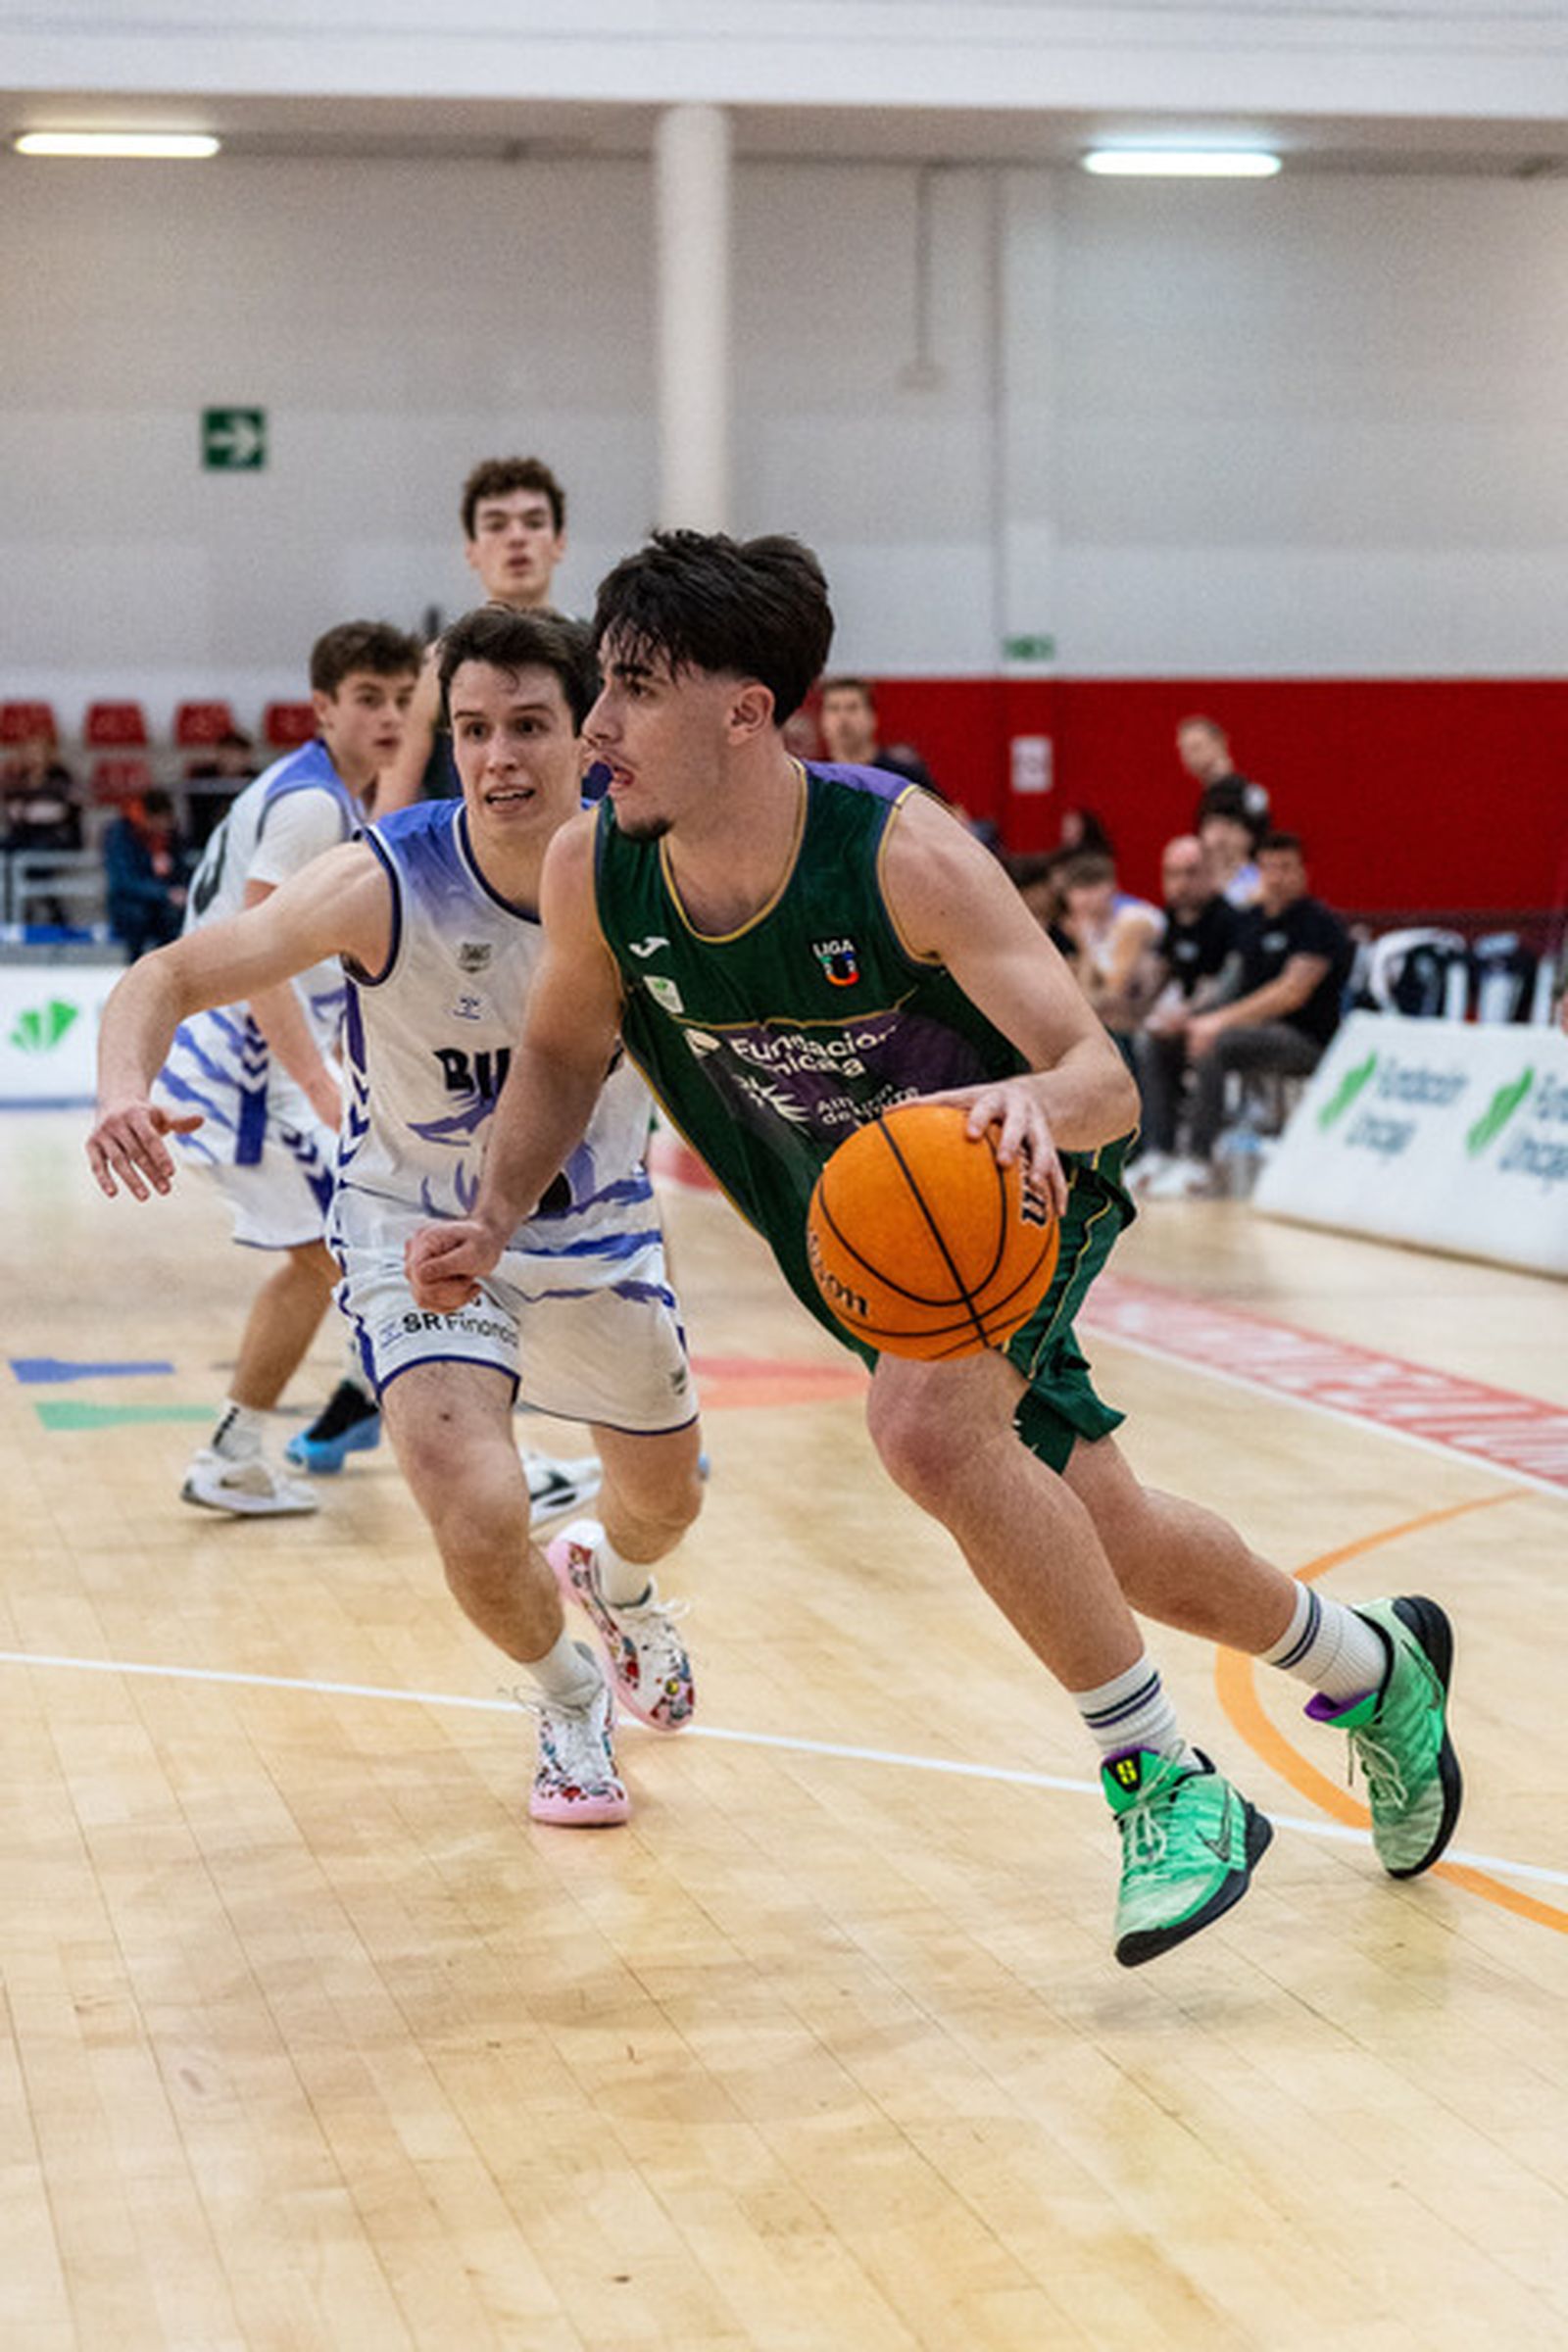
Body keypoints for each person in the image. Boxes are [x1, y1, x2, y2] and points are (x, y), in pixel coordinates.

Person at [405, 529, 1461, 1970]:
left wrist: (1020, 1101)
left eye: (632, 690)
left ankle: (1167, 1788)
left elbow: (1106, 1081)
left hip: (1015, 1191)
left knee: (922, 1428)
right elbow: (564, 1044)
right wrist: (499, 1209)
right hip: (871, 1237)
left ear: (744, 710)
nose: (595, 728)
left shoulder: (899, 854)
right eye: (599, 688)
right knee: (1109, 1530)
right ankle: (1372, 1665)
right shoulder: (600, 866)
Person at [87, 606, 704, 1826]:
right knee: (467, 1498)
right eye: (472, 729)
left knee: (668, 1500)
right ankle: (567, 1696)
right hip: (412, 1232)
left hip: (596, 1231)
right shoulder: (386, 875)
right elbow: (172, 973)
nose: (498, 758)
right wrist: (122, 1090)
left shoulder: (653, 874)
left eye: (529, 726)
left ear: (585, 734)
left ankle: (619, 1589)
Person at [149, 619, 423, 1513]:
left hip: (242, 1057)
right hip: (243, 1067)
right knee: (366, 1257)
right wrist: (318, 1083)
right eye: (368, 699)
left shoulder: (323, 794)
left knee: (332, 1260)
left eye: (400, 699)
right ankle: (451, 1442)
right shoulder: (312, 807)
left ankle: (245, 1444)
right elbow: (260, 952)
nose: (387, 716)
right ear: (323, 708)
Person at [1143, 831, 1355, 1200]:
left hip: (1305, 1040)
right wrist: (1189, 1016)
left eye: (1287, 868)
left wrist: (1218, 1022)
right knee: (1157, 1040)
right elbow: (1229, 984)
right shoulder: (1249, 922)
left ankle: (1198, 1160)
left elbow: (1289, 994)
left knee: (1215, 1044)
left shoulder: (1318, 923)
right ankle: (1158, 1152)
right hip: (1249, 1033)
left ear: (1304, 872)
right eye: (1269, 868)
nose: (1278, 877)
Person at [374, 456, 569, 816]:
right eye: (496, 525)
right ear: (471, 549)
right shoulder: (434, 669)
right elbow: (389, 811)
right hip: (467, 870)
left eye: (534, 522)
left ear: (559, 541)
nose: (516, 537)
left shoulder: (602, 659)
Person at [1130, 834, 1242, 1188]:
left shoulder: (1230, 920)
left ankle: (1199, 1157)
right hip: (1190, 1020)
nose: (1181, 883)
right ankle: (1157, 1150)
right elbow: (1155, 979)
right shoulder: (1172, 922)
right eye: (1172, 874)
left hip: (1232, 1019)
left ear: (1211, 873)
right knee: (1146, 1040)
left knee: (1207, 1045)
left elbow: (1228, 985)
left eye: (1191, 873)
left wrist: (1189, 1017)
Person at [1055, 850, 1162, 1057]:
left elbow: (1115, 990)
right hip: (1125, 1015)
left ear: (1111, 887)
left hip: (1153, 1013)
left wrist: (1083, 949)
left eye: (1091, 889)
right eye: (1077, 891)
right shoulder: (1088, 927)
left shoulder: (1134, 920)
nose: (1083, 900)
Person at [817, 674, 943, 797]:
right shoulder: (817, 781)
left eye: (852, 708)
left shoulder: (902, 774)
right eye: (833, 708)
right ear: (822, 720)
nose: (843, 719)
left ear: (872, 718)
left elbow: (947, 813)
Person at [103, 787, 191, 959]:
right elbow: (123, 881)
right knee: (136, 916)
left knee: (176, 918)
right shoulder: (121, 834)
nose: (165, 827)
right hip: (129, 904)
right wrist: (165, 893)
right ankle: (133, 966)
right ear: (149, 817)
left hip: (161, 906)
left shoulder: (171, 837)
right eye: (161, 822)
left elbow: (180, 870)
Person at [1175, 713, 1271, 837]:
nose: (1188, 757)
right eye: (1183, 750)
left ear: (1220, 743)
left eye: (1196, 747)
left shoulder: (1235, 792)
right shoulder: (1211, 795)